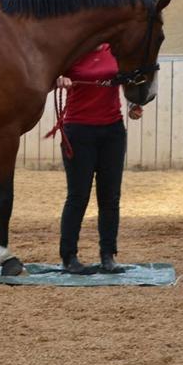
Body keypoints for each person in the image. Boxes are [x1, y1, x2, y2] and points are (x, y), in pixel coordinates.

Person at [50, 43, 143, 275]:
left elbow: (125, 81)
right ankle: (69, 256)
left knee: (110, 197)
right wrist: (59, 79)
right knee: (78, 196)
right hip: (78, 131)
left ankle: (108, 255)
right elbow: (48, 78)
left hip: (112, 131)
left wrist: (133, 104)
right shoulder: (70, 51)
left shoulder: (114, 50)